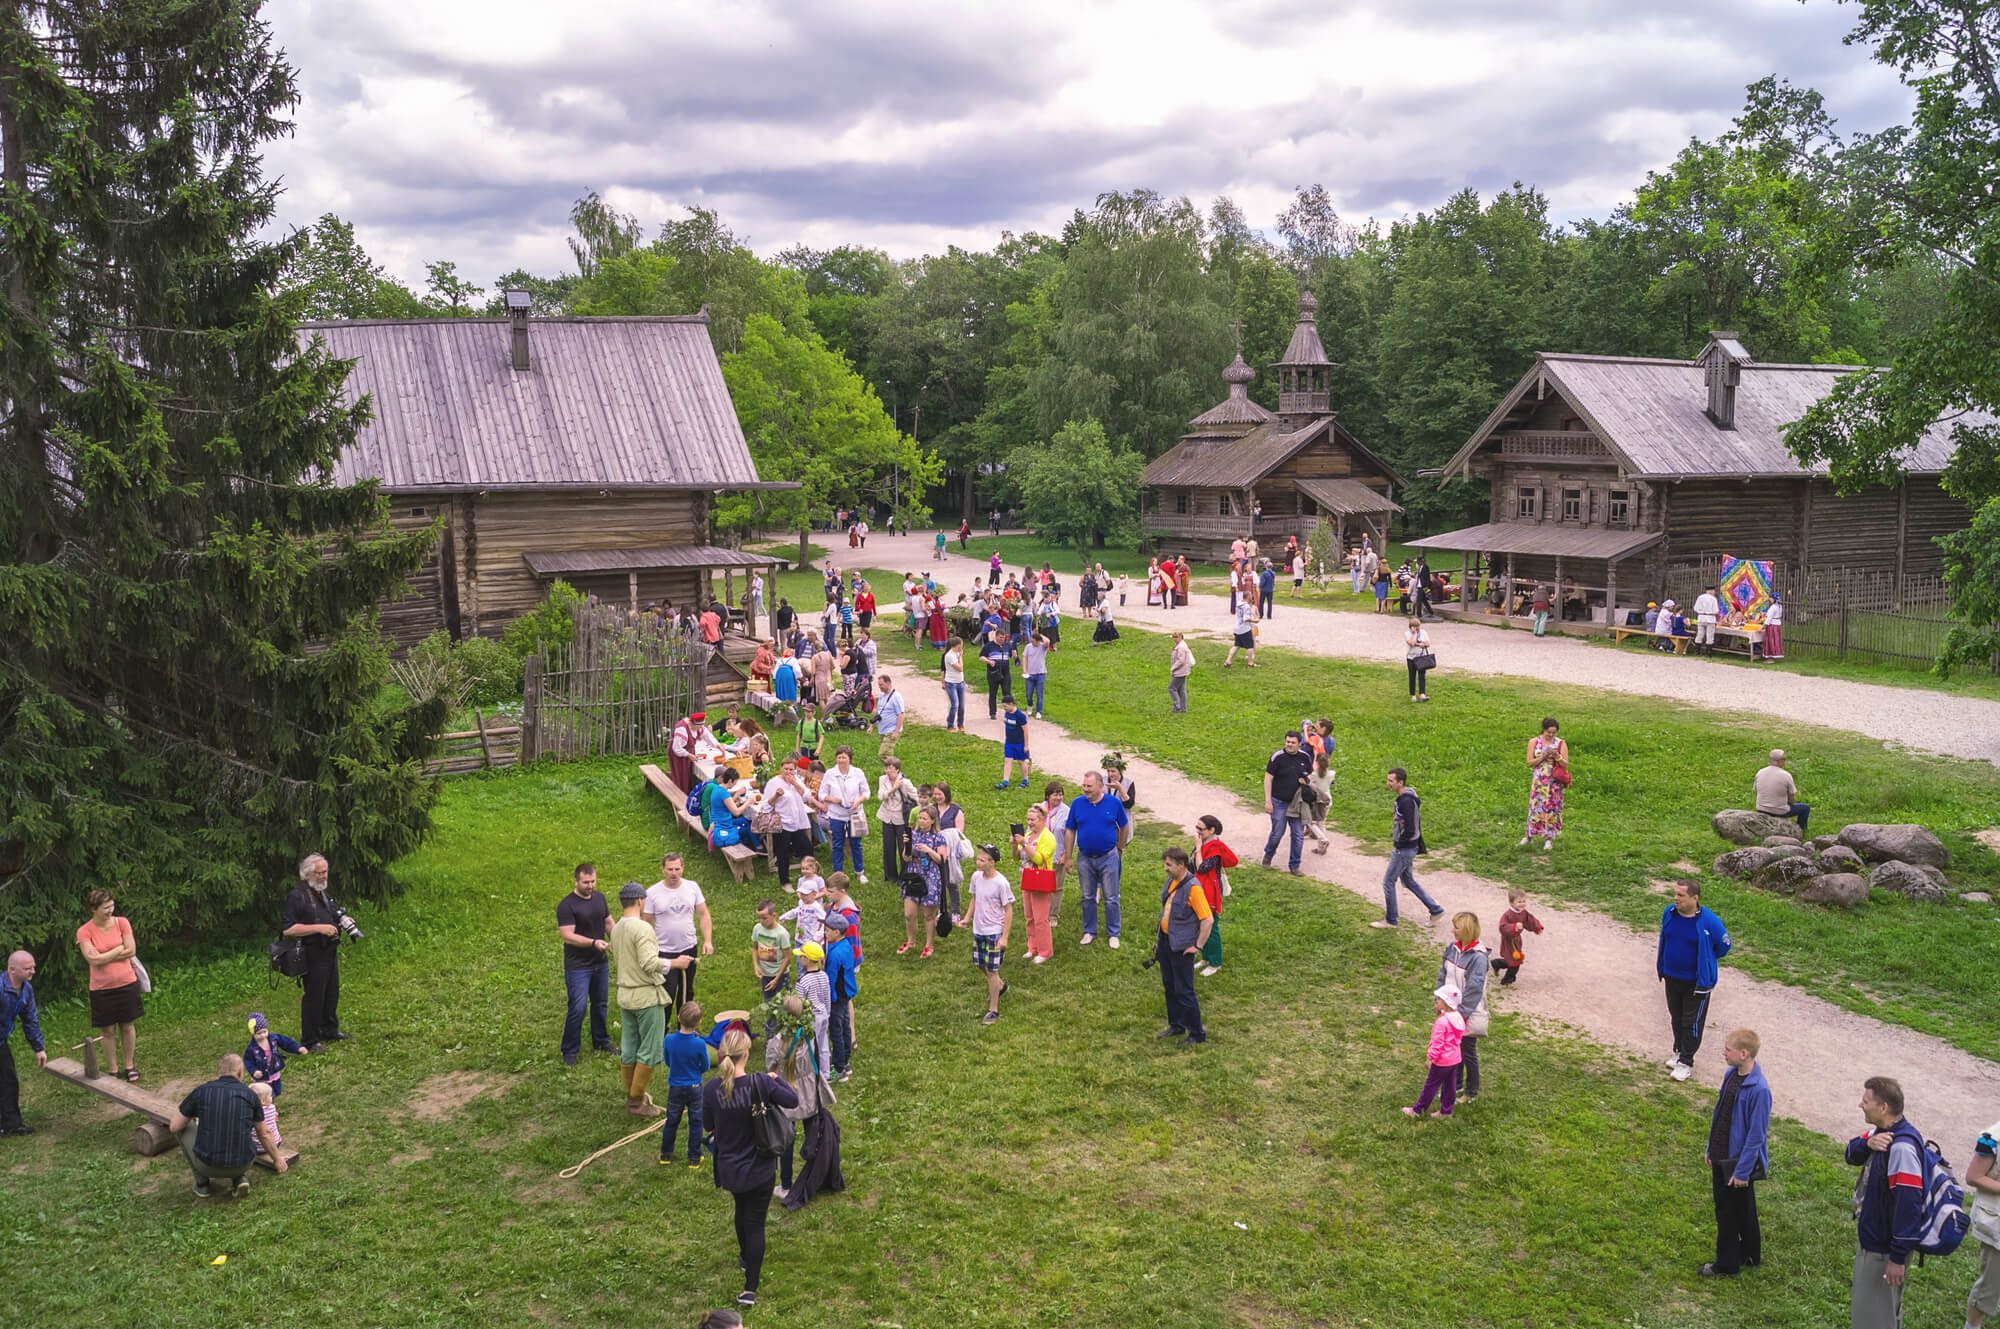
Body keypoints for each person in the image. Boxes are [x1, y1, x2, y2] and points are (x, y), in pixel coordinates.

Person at [705, 1028, 800, 1309]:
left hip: (730, 1168)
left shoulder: (712, 1089)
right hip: (760, 1167)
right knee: (755, 1222)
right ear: (747, 1053)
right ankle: (750, 1289)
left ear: (722, 1054)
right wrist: (776, 1080)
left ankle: (746, 1257)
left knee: (741, 1210)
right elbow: (793, 1101)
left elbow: (706, 1124)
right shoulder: (761, 1083)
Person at [1846, 1076, 1929, 1328]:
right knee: (1882, 1314)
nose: (1861, 1105)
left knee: (1873, 1320)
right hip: (1875, 1244)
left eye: (1865, 1101)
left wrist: (1897, 1258)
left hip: (1883, 1251)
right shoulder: (1881, 1132)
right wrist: (1867, 1143)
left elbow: (1909, 1206)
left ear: (1883, 1107)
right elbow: (1850, 1153)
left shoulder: (1901, 1148)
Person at [1699, 1028, 1771, 1278]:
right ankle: (1751, 1255)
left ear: (1744, 1053)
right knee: (1744, 1207)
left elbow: (1756, 1136)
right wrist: (1710, 1147)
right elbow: (1721, 1114)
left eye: (1728, 1049)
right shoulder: (1731, 1075)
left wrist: (1742, 1171)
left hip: (1736, 1164)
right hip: (1721, 1155)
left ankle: (1727, 1264)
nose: (1723, 1052)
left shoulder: (1759, 1090)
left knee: (1726, 1212)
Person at [170, 1053, 284, 1196]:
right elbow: (264, 1133)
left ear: (217, 1072)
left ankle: (202, 1184)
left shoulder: (201, 1091)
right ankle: (239, 1178)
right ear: (240, 1073)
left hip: (207, 1166)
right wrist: (277, 1159)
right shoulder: (250, 1095)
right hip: (244, 1163)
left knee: (181, 1126)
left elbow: (174, 1126)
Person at [1657, 880, 1732, 1082]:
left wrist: (1706, 960)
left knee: (1692, 1023)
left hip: (1696, 983)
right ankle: (1679, 1052)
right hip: (1672, 977)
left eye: (1681, 895)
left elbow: (1724, 944)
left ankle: (1686, 1062)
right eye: (1675, 894)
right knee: (1676, 1018)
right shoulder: (1669, 913)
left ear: (1694, 898)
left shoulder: (1709, 921)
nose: (1676, 898)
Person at [281, 853, 354, 1053]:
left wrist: (344, 920)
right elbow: (288, 929)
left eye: (325, 872)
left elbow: (332, 913)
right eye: (319, 872)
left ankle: (330, 1030)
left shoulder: (321, 892)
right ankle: (310, 1040)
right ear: (307, 874)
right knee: (314, 996)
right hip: (312, 953)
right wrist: (320, 928)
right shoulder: (297, 896)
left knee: (331, 992)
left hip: (329, 951)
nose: (324, 876)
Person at [613, 882, 669, 1118]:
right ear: (640, 901)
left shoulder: (616, 928)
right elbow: (648, 963)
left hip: (625, 995)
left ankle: (633, 1096)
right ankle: (636, 1103)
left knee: (629, 1048)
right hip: (645, 996)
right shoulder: (642, 928)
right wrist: (673, 964)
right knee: (649, 1049)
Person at [76, 886, 143, 1082]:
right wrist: (117, 950)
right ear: (93, 909)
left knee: (127, 1026)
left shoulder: (122, 923)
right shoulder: (84, 931)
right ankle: (113, 1069)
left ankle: (129, 1066)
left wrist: (104, 955)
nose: (110, 910)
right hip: (101, 989)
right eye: (106, 907)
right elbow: (93, 961)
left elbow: (131, 950)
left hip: (127, 983)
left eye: (112, 906)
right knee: (107, 1030)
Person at [1065, 769, 1131, 950]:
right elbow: (1070, 830)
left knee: (1111, 897)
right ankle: (1090, 931)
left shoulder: (1114, 803)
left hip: (1108, 856)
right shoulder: (1077, 804)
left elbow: (1124, 826)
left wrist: (1120, 847)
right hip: (1085, 857)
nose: (1085, 789)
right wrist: (1068, 856)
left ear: (1100, 786)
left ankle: (1113, 933)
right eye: (1084, 785)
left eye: (1089, 786)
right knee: (1087, 897)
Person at [555, 862, 613, 1066]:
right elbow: (568, 936)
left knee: (600, 1004)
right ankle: (570, 1050)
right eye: (586, 882)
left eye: (593, 881)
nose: (590, 885)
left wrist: (616, 938)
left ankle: (601, 1041)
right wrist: (593, 943)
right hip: (578, 966)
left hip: (600, 963)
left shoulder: (599, 898)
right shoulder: (567, 905)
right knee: (578, 1007)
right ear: (576, 881)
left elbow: (608, 922)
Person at [1372, 768, 1443, 929]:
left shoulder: (1406, 801)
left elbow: (1411, 828)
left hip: (1404, 849)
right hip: (1407, 847)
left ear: (1400, 782)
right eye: (1388, 780)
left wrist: (1399, 843)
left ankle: (1391, 920)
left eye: (1391, 781)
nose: (1388, 784)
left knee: (1388, 882)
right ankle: (1435, 909)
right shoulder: (1403, 799)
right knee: (1408, 880)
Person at [1154, 847, 1212, 1045]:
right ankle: (1177, 1025)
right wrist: (1159, 940)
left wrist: (1197, 945)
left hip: (1182, 948)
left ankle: (1196, 1034)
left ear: (1181, 865)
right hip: (1166, 943)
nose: (1165, 868)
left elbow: (1208, 920)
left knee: (1184, 991)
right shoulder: (1171, 881)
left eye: (1169, 865)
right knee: (1170, 987)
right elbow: (1167, 911)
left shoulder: (1193, 888)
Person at [644, 853, 714, 1011]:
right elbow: (646, 922)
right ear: (663, 870)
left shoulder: (692, 887)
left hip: (689, 947)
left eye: (677, 869)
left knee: (687, 991)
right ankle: (664, 1029)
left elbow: (703, 914)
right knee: (667, 992)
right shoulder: (653, 893)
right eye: (670, 869)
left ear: (682, 869)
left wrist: (708, 941)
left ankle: (685, 1027)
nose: (673, 873)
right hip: (664, 951)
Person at [959, 845, 1016, 1024]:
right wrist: (967, 918)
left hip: (994, 932)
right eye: (978, 859)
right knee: (980, 964)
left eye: (982, 860)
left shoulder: (1001, 883)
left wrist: (1004, 937)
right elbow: (975, 899)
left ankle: (993, 1010)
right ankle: (1000, 986)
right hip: (979, 930)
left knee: (992, 971)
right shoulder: (976, 877)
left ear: (992, 862)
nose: (978, 862)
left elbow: (1009, 910)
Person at [1438, 913, 1490, 1103]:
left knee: (1468, 1051)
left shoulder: (1478, 958)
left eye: (1457, 927)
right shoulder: (1452, 949)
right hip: (1451, 1009)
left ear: (1467, 930)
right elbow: (1443, 973)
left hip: (1466, 1012)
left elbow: (1474, 990)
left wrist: (1459, 1015)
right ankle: (1457, 1083)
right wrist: (1440, 997)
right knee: (1454, 1047)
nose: (1453, 931)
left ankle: (1471, 1092)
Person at [659, 1001, 714, 1168]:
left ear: (678, 1018)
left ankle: (665, 1155)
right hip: (695, 1088)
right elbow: (705, 1065)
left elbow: (668, 1061)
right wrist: (695, 1072)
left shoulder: (668, 1039)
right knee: (696, 1121)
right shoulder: (699, 1044)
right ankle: (694, 1157)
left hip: (675, 1087)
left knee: (672, 1120)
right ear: (699, 1022)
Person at [0, 951, 47, 1137]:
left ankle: (11, 1124)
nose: (33, 971)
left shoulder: (26, 989)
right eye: (28, 968)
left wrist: (39, 1049)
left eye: (33, 967)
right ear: (12, 970)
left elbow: (30, 1020)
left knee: (9, 1080)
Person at [1402, 985, 1464, 1120]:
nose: (1436, 1001)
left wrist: (1430, 1058)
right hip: (1454, 1059)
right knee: (1450, 1086)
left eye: (1439, 999)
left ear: (1446, 1003)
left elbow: (1438, 1043)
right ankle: (1446, 1112)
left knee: (1431, 1085)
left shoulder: (1442, 1022)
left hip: (1441, 1061)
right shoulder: (1458, 1017)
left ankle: (1418, 1110)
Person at [1013, 805, 1060, 965]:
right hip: (1027, 880)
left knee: (1041, 919)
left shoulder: (1048, 838)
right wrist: (1015, 844)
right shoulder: (1028, 835)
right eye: (1028, 819)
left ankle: (1045, 951)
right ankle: (1032, 947)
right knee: (1029, 917)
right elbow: (1017, 857)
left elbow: (1039, 860)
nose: (1030, 823)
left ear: (1043, 820)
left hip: (1040, 882)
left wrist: (1025, 844)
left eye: (1033, 820)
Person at [1966, 1110, 2000, 1329]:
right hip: (1997, 1226)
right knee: (1991, 1286)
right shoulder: (1993, 1139)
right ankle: (1972, 1326)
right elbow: (1973, 1176)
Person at [1193, 815, 1237, 977]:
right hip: (1201, 889)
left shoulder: (1214, 847)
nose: (1197, 831)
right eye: (1196, 827)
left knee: (1211, 927)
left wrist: (1198, 849)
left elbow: (1202, 868)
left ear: (1211, 830)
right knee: (1202, 925)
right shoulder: (1206, 842)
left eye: (1201, 829)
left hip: (1210, 892)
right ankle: (1206, 958)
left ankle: (1215, 962)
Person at [819, 746, 871, 882]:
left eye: (844, 757)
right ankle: (838, 873)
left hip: (856, 813)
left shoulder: (858, 773)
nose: (841, 760)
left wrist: (859, 800)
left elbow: (867, 792)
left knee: (856, 843)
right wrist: (832, 799)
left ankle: (860, 872)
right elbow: (821, 794)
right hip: (836, 815)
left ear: (849, 759)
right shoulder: (830, 774)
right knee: (837, 843)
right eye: (839, 757)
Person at [901, 806, 947, 957]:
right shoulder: (913, 834)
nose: (921, 821)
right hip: (914, 875)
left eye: (924, 818)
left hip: (931, 876)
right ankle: (911, 941)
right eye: (920, 818)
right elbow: (906, 858)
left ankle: (929, 945)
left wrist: (929, 850)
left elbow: (941, 859)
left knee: (928, 914)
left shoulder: (939, 837)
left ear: (933, 821)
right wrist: (906, 846)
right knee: (909, 914)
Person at [1519, 717, 1569, 851]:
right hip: (1539, 780)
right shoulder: (1534, 742)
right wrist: (1542, 757)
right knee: (1535, 807)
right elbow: (1529, 763)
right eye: (1549, 732)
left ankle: (1549, 838)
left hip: (1554, 782)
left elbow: (1565, 764)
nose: (1551, 735)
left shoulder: (1561, 743)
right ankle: (1529, 836)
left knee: (1552, 809)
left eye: (1554, 732)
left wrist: (1557, 756)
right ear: (1543, 730)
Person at [874, 756, 919, 885]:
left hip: (901, 818)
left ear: (898, 770)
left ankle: (904, 876)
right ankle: (890, 876)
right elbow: (880, 796)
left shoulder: (905, 782)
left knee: (903, 847)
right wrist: (893, 788)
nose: (887, 771)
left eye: (891, 768)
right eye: (886, 768)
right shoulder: (882, 779)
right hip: (887, 817)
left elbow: (916, 796)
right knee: (888, 846)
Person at [242, 1010, 307, 1096]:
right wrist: (254, 1071)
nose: (263, 1035)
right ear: (253, 1034)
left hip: (274, 1070)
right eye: (259, 1033)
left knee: (278, 1091)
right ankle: (268, 1107)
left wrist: (297, 1048)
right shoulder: (251, 1048)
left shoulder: (274, 1039)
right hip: (262, 1076)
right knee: (268, 1095)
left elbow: (287, 1043)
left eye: (264, 1031)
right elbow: (247, 1061)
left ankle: (272, 1097)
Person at [1491, 889, 1545, 986]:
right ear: (1511, 903)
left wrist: (1537, 928)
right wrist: (1514, 927)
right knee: (1516, 961)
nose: (1522, 904)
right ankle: (1507, 981)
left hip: (1517, 940)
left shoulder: (1523, 913)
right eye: (1519, 902)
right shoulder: (1507, 915)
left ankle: (1496, 963)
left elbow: (1530, 920)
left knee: (1511, 960)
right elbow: (1502, 927)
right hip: (1508, 940)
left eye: (1524, 901)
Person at [1754, 749, 1810, 834]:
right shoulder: (1786, 775)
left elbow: (1757, 790)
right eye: (1784, 759)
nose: (1785, 761)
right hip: (1779, 810)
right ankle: (1801, 830)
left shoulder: (1760, 772)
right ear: (1779, 761)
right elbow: (1791, 799)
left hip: (1761, 809)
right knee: (1805, 808)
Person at [751, 901, 792, 1009]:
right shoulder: (757, 929)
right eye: (759, 918)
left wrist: (777, 979)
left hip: (781, 976)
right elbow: (755, 948)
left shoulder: (782, 934)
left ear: (774, 915)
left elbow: (787, 958)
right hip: (765, 975)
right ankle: (770, 1025)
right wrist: (756, 966)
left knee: (784, 1007)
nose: (761, 921)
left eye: (764, 918)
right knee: (769, 1005)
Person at [981, 621, 1015, 718]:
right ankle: (992, 713)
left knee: (1007, 692)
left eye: (1003, 638)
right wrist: (988, 661)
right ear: (996, 636)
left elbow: (1011, 656)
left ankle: (1009, 711)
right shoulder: (989, 646)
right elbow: (981, 657)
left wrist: (1014, 655)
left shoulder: (1007, 645)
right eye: (1000, 637)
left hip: (1005, 672)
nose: (1002, 640)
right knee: (993, 692)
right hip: (993, 672)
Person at [998, 699, 1032, 790]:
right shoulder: (1007, 713)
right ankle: (1005, 781)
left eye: (1005, 706)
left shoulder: (1020, 716)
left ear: (1011, 704)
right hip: (1009, 742)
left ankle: (1025, 780)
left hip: (1019, 743)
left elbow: (1026, 730)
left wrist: (1026, 745)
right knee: (1007, 760)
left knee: (1021, 762)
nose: (1004, 708)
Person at [872, 672, 904, 764]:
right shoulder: (882, 696)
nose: (880, 687)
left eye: (881, 685)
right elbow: (878, 712)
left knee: (883, 754)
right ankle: (890, 774)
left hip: (891, 730)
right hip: (882, 730)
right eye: (879, 685)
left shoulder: (896, 697)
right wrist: (871, 726)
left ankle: (896, 773)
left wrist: (896, 731)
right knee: (888, 755)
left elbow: (901, 715)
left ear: (888, 683)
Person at [940, 635, 968, 733]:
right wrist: (961, 658)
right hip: (951, 683)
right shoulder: (949, 655)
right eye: (961, 644)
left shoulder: (956, 653)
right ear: (958, 645)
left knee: (962, 705)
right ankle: (950, 725)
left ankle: (960, 724)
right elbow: (960, 668)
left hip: (960, 682)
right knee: (955, 704)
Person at [1224, 595, 1258, 668]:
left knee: (1236, 645)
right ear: (1248, 597)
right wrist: (1255, 620)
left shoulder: (1238, 603)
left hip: (1237, 628)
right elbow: (1246, 618)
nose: (1251, 597)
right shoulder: (1246, 606)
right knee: (1250, 646)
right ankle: (1250, 663)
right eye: (1250, 596)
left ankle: (1228, 661)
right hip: (1244, 629)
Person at [1021, 632, 1049, 718]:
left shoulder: (1042, 647)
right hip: (1030, 674)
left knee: (1039, 693)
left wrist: (1040, 635)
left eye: (1033, 641)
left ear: (1038, 641)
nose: (1032, 642)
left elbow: (1047, 641)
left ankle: (1039, 711)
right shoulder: (1028, 647)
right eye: (1031, 641)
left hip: (1040, 673)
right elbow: (1025, 658)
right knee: (1028, 693)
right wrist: (1025, 670)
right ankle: (1030, 706)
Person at [1405, 618, 1433, 702]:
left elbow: (1428, 643)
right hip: (1411, 658)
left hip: (1421, 657)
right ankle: (1413, 695)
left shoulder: (1424, 632)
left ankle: (1422, 694)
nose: (1418, 628)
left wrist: (1423, 644)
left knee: (1422, 676)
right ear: (1411, 627)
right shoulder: (1407, 634)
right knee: (1412, 676)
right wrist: (1415, 633)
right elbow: (1412, 643)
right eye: (1415, 627)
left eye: (1418, 626)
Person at [1166, 631, 1195, 713]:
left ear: (1181, 637)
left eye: (1176, 637)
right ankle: (1183, 708)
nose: (1174, 639)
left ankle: (1177, 706)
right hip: (1183, 671)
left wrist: (1173, 668)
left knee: (1171, 688)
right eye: (1173, 637)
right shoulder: (1181, 645)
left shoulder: (1181, 647)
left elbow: (1181, 660)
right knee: (1181, 690)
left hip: (1180, 672)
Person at [1693, 585, 1722, 657]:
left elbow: (1695, 608)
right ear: (1711, 591)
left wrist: (1702, 611)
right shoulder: (1713, 599)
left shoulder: (1700, 597)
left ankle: (1697, 652)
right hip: (1710, 618)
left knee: (1700, 634)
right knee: (1710, 636)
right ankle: (1708, 653)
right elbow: (1716, 610)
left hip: (1701, 617)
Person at [1762, 594, 1786, 661]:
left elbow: (1769, 618)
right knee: (1776, 641)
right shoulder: (1780, 606)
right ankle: (1774, 655)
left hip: (1772, 625)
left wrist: (1763, 626)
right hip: (1777, 625)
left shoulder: (1773, 607)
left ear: (1773, 599)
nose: (1770, 599)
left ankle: (1770, 658)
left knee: (1770, 641)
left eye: (1771, 598)